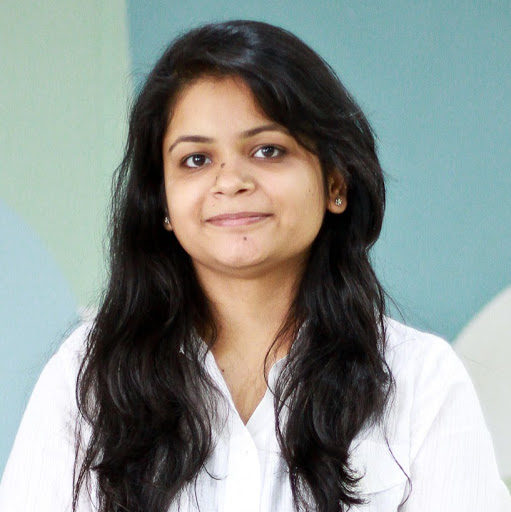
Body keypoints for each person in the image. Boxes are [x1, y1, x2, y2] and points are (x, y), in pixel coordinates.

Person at [0, 20, 509, 512]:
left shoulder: (420, 381)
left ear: (335, 184)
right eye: (196, 159)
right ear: (163, 203)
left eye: (268, 150)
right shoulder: (87, 377)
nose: (230, 180)